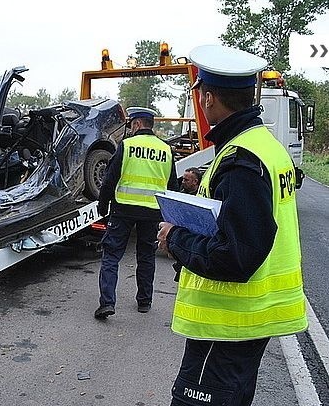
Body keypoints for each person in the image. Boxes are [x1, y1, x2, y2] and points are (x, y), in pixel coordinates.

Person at [157, 45, 308, 406]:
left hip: (228, 326)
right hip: (249, 324)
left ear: (208, 98)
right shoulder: (264, 147)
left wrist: (174, 237)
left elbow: (234, 256)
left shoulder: (241, 161)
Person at [94, 106, 177, 319]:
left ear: (138, 124)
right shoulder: (166, 150)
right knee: (146, 255)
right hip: (153, 212)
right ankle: (144, 302)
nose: (130, 129)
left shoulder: (127, 146)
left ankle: (107, 303)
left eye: (131, 124)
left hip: (123, 209)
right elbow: (173, 187)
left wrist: (102, 205)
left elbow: (110, 179)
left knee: (111, 255)